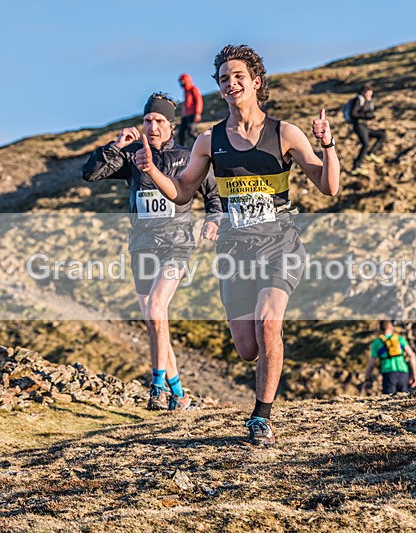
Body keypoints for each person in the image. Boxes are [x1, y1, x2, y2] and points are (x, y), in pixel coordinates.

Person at [136, 44, 340, 446]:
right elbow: (182, 193)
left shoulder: (284, 133)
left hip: (279, 244)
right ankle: (267, 375)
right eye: (224, 79)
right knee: (248, 348)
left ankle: (260, 417)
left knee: (269, 323)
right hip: (234, 252)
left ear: (256, 82)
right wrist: (152, 170)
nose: (230, 84)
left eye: (238, 77)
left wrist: (328, 144)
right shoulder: (209, 141)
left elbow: (328, 186)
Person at [81, 93, 221, 412]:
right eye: (147, 121)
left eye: (159, 121)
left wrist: (212, 222)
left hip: (177, 243)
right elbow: (90, 174)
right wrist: (117, 145)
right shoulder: (132, 156)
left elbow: (213, 195)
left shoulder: (188, 157)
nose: (152, 126)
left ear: (170, 126)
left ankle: (156, 385)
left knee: (157, 309)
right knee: (155, 321)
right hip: (141, 246)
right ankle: (180, 395)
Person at [362, 320, 416, 395]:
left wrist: (367, 379)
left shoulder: (377, 342)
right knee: (405, 399)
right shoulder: (400, 339)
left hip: (388, 373)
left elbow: (371, 364)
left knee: (389, 401)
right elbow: (412, 355)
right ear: (391, 327)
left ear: (380, 329)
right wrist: (415, 375)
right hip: (403, 372)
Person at [349, 83, 386, 177]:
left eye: (371, 94)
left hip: (365, 126)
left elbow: (369, 113)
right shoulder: (358, 100)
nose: (370, 96)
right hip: (358, 126)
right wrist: (365, 115)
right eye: (368, 94)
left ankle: (371, 153)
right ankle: (356, 167)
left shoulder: (367, 101)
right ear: (364, 92)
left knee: (382, 135)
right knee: (365, 144)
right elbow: (353, 114)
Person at [178, 73, 204, 147]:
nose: (181, 84)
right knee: (181, 133)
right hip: (185, 116)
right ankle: (183, 149)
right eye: (181, 83)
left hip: (193, 114)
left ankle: (202, 144)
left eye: (183, 82)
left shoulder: (194, 89)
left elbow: (199, 101)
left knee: (191, 131)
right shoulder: (185, 92)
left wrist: (198, 113)